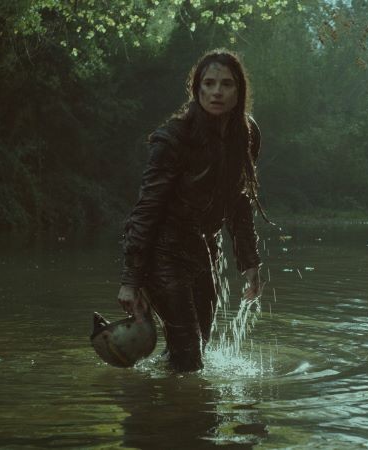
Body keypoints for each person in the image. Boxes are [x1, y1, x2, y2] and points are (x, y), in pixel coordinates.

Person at [117, 49, 267, 372]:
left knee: (195, 349)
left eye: (226, 84)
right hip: (163, 254)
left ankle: (165, 407)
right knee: (189, 357)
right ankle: (175, 413)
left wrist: (249, 261)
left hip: (204, 251)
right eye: (209, 83)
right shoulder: (174, 137)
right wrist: (130, 279)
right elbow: (146, 208)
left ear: (239, 91)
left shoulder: (246, 134)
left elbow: (239, 201)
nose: (217, 91)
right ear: (196, 89)